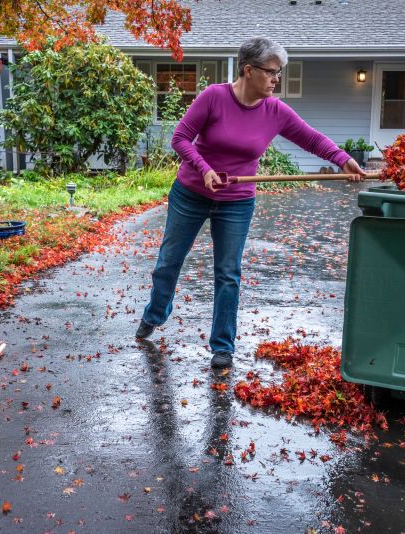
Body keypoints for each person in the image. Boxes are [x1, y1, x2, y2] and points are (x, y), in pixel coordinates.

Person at [135, 36, 367, 369]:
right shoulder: (214, 97)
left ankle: (222, 345)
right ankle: (156, 313)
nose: (277, 80)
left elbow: (311, 138)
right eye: (272, 72)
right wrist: (204, 169)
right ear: (249, 70)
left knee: (228, 273)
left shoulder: (275, 111)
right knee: (168, 262)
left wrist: (342, 159)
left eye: (279, 73)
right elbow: (180, 139)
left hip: (236, 202)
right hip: (191, 194)